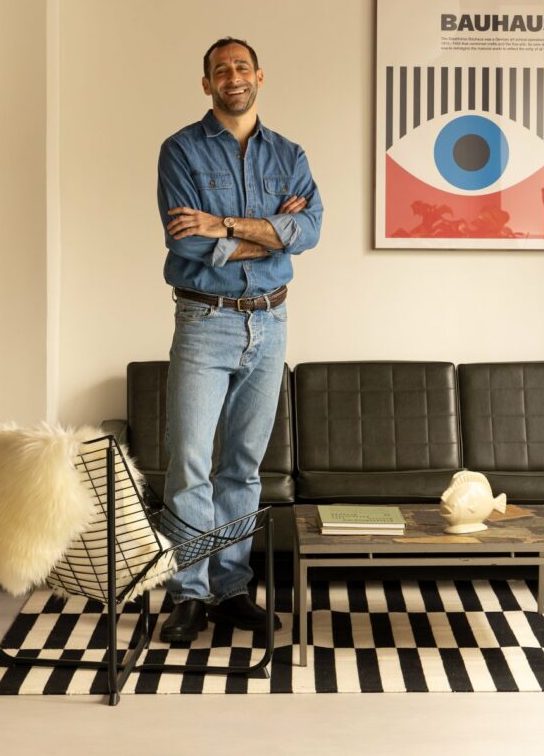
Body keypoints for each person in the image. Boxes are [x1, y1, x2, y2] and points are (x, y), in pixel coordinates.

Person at [156, 37, 322, 642]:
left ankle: (230, 588)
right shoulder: (180, 151)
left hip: (271, 321)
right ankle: (189, 593)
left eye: (242, 66)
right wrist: (272, 231)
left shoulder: (290, 154)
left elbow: (310, 229)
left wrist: (224, 224)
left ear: (259, 76)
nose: (233, 76)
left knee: (244, 467)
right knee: (190, 466)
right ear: (207, 83)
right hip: (205, 321)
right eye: (221, 69)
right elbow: (185, 242)